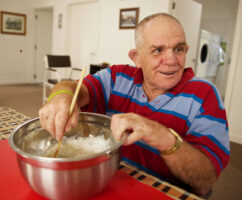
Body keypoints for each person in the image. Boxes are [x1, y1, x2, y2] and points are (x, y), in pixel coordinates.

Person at [39, 13, 230, 197]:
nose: (172, 60)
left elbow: (205, 179)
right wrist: (61, 96)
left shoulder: (205, 95)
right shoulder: (116, 77)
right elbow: (73, 88)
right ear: (136, 57)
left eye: (178, 49)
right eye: (158, 50)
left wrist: (161, 136)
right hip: (108, 183)